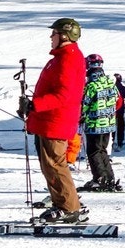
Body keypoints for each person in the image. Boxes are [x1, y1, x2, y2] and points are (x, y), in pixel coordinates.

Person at [25, 17, 88, 224]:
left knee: (55, 164)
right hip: (50, 119)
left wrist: (36, 105)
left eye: (53, 33)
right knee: (50, 165)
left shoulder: (68, 58)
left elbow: (64, 94)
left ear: (64, 35)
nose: (50, 37)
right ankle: (64, 202)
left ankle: (69, 207)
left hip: (56, 120)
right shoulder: (62, 57)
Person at [80, 54, 122, 191]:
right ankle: (109, 177)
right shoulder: (110, 83)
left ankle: (100, 178)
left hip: (94, 123)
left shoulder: (91, 85)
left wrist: (81, 116)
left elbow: (84, 104)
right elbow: (118, 99)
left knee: (93, 151)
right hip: (108, 122)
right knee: (102, 150)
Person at [114, 73, 125, 149]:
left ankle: (111, 142)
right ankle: (120, 142)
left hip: (111, 111)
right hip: (120, 110)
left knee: (112, 126)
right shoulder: (122, 88)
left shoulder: (109, 88)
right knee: (120, 126)